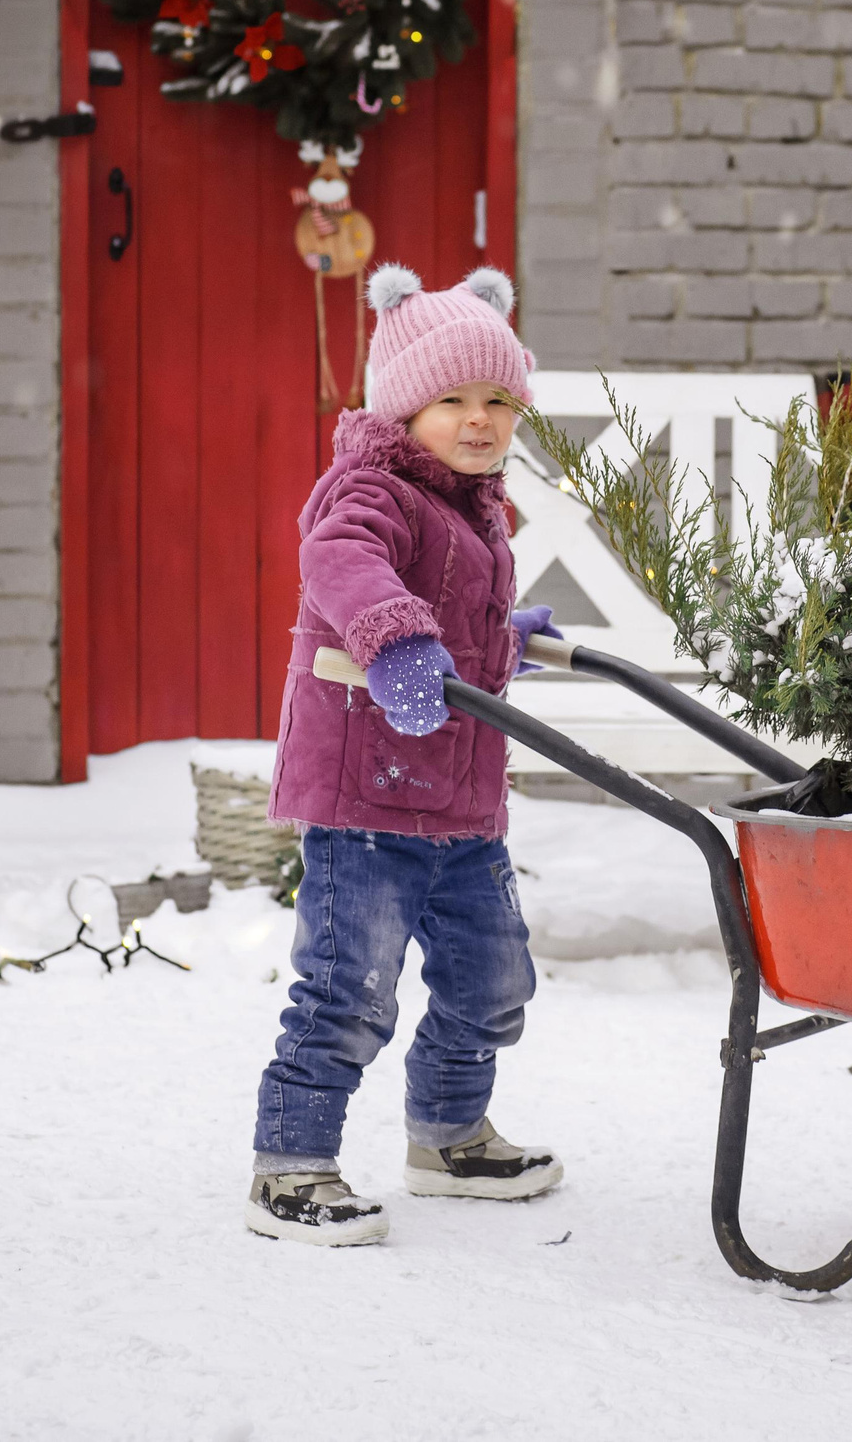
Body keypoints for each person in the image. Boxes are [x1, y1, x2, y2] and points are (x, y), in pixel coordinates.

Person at [249, 261, 567, 1247]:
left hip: (462, 806)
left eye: (499, 400)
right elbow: (340, 565)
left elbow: (454, 620)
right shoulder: (369, 488)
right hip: (365, 803)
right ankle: (290, 1166)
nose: (480, 421)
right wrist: (396, 643)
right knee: (351, 990)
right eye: (452, 400)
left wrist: (509, 638)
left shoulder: (475, 504)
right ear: (403, 404)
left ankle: (448, 1135)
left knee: (493, 981)